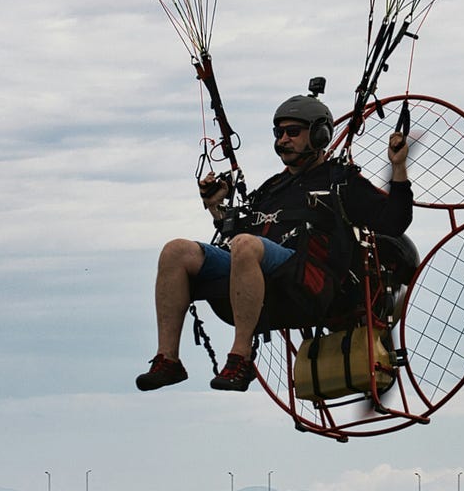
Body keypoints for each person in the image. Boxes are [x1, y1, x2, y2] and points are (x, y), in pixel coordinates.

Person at [136, 92, 412, 392]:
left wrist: (398, 168)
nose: (283, 140)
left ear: (319, 134)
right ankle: (168, 360)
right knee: (176, 251)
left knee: (246, 245)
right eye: (278, 133)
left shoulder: (340, 181)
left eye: (293, 132)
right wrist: (217, 209)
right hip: (257, 289)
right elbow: (234, 239)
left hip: (306, 286)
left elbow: (394, 222)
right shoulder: (272, 189)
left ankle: (240, 358)